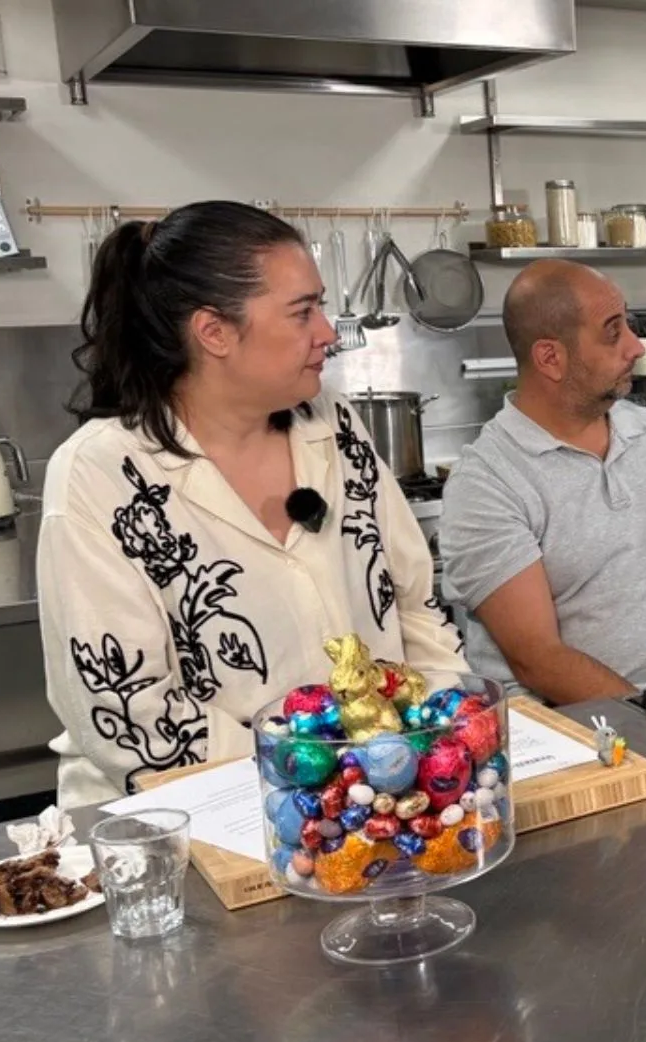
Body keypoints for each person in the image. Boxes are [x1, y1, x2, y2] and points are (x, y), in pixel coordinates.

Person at [37, 201, 465, 807]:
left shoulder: (333, 427)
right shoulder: (102, 474)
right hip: (187, 817)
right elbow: (132, 712)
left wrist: (442, 733)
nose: (326, 332)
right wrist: (324, 783)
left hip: (376, 802)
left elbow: (415, 606)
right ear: (213, 332)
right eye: (302, 312)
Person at [438, 260, 646, 704]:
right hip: (583, 739)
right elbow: (538, 659)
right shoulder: (488, 481)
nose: (636, 347)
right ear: (550, 358)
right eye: (613, 332)